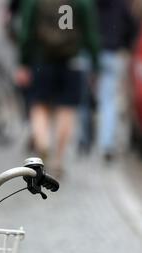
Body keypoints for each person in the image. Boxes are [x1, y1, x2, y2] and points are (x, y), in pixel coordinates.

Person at [15, 0, 100, 177]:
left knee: (39, 105)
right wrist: (95, 63)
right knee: (67, 109)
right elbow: (91, 33)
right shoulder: (82, 2)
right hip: (72, 62)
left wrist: (23, 61)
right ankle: (58, 160)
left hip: (42, 60)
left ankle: (43, 143)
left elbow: (26, 31)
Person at [96, 0, 137, 162]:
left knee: (85, 100)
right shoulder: (122, 4)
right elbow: (132, 27)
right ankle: (106, 144)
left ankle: (83, 140)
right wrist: (125, 44)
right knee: (109, 101)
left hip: (93, 52)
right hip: (113, 53)